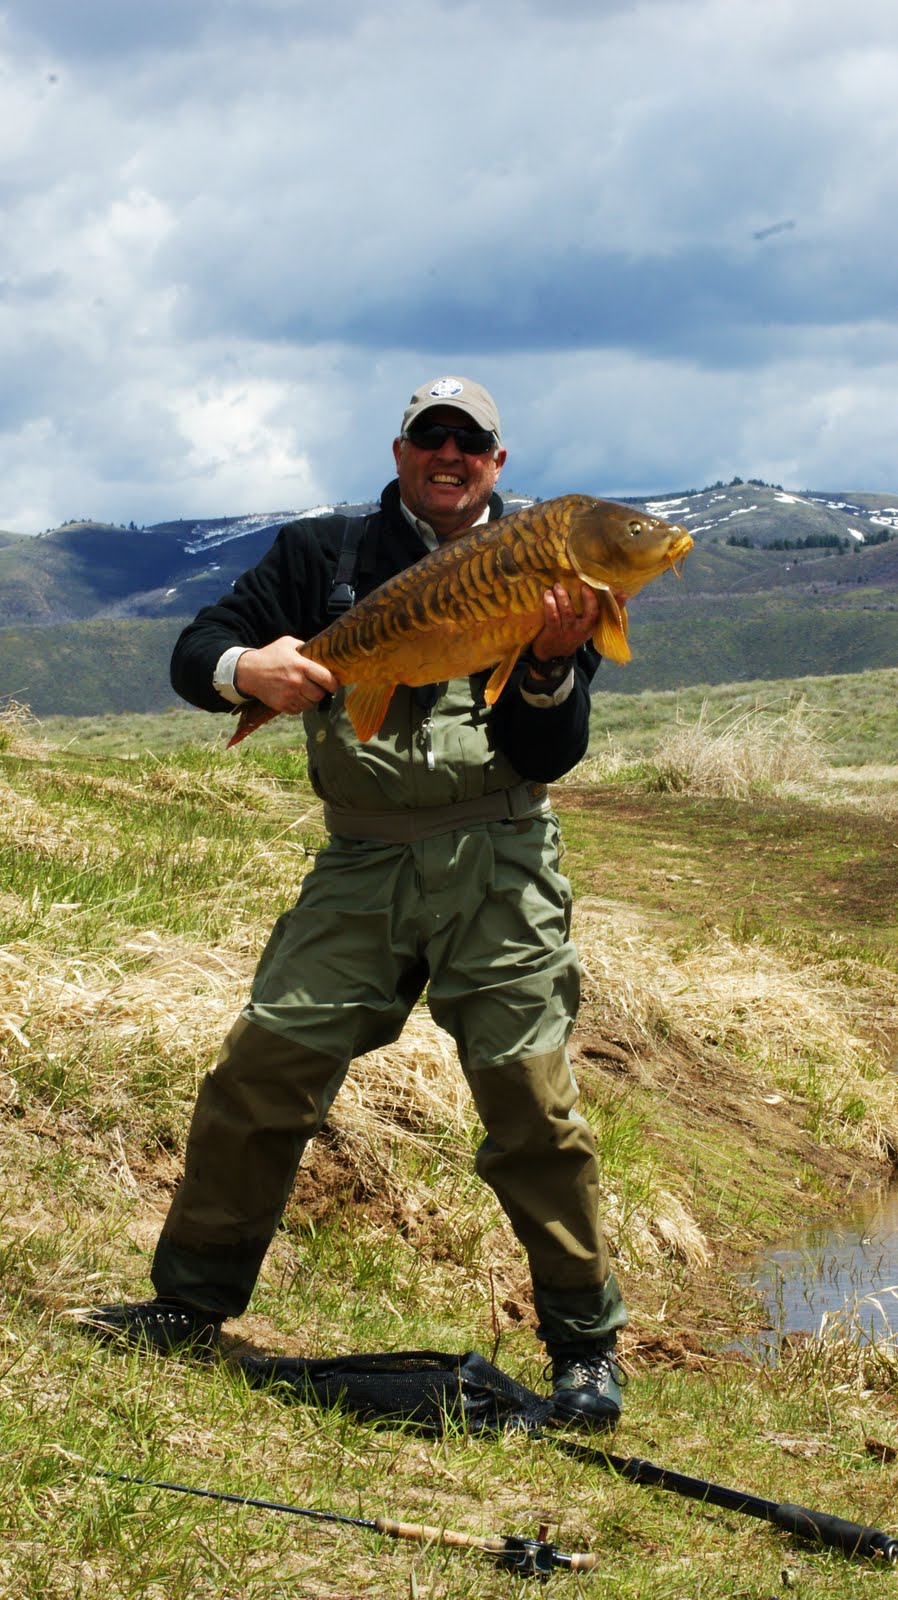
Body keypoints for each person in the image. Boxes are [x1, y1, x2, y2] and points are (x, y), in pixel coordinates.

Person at [84, 375, 628, 1430]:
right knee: (261, 1069)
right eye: (431, 437)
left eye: (469, 442)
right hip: (359, 863)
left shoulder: (551, 562)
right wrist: (247, 669)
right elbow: (196, 649)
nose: (448, 455)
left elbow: (551, 749)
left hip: (500, 858)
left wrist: (551, 666)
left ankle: (585, 1349)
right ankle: (188, 1305)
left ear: (496, 463)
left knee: (531, 1101)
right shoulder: (319, 555)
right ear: (400, 451)